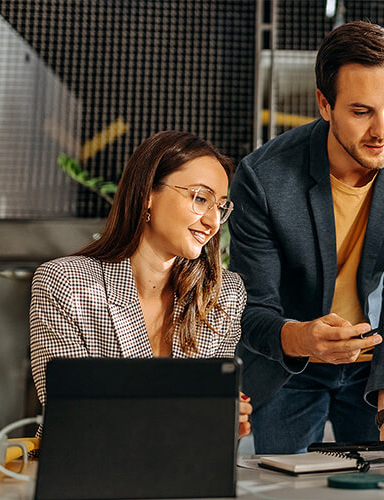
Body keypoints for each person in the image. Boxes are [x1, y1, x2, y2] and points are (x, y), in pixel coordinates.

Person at [229, 21, 384, 453]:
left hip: (377, 365)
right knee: (286, 495)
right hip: (290, 364)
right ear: (324, 104)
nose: (382, 132)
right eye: (361, 111)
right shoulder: (263, 178)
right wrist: (302, 338)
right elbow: (254, 309)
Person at [29, 130, 252, 438]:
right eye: (200, 198)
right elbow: (70, 413)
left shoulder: (224, 294)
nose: (212, 221)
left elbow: (209, 427)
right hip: (86, 475)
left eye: (220, 206)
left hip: (185, 476)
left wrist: (225, 418)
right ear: (148, 192)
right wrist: (193, 412)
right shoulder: (66, 282)